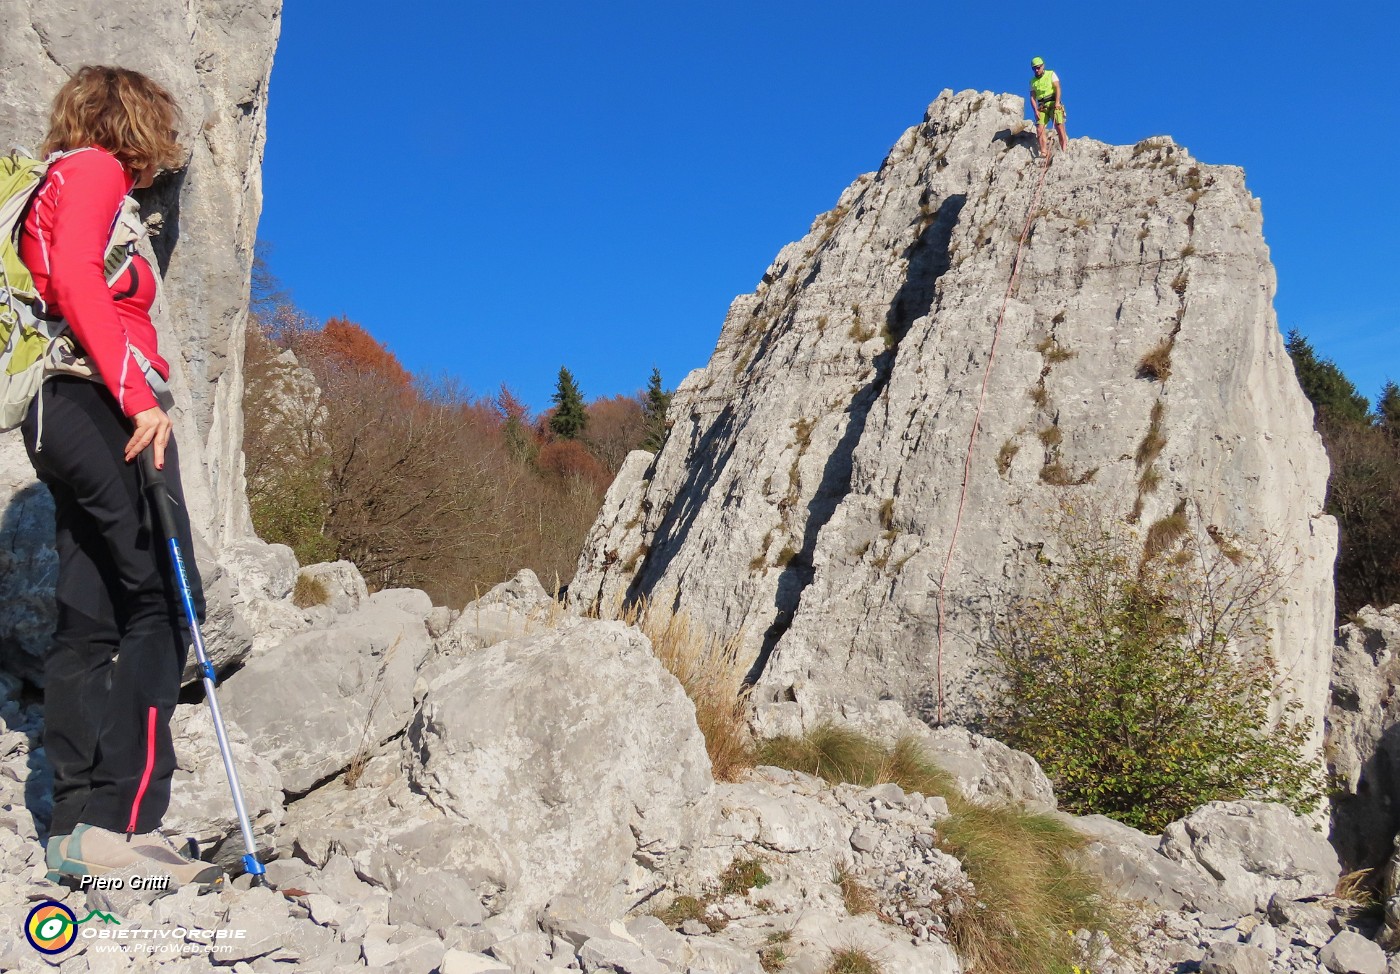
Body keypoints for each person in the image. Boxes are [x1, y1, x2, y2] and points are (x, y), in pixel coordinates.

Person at [19, 65, 223, 890]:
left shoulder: (53, 182)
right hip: (101, 403)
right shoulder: (95, 170)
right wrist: (139, 398)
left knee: (92, 612)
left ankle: (75, 830)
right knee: (167, 600)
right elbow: (75, 280)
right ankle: (121, 820)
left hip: (57, 409)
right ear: (133, 121)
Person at [1029, 56, 1069, 159]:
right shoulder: (1033, 81)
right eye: (1034, 68)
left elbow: (1057, 88)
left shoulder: (1051, 74)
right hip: (1042, 106)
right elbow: (1032, 97)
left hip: (1053, 103)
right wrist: (1035, 111)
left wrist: (1057, 102)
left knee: (1059, 126)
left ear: (1043, 66)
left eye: (1038, 67)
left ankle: (1064, 147)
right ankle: (1043, 152)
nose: (1036, 70)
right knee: (1039, 129)